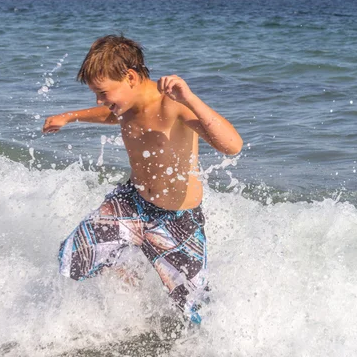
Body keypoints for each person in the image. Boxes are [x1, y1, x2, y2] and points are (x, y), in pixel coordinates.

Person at [42, 35, 242, 324]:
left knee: (194, 311)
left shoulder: (174, 105)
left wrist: (190, 99)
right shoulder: (124, 106)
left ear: (131, 77)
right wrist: (69, 116)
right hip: (131, 202)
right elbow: (111, 115)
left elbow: (232, 145)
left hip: (177, 220)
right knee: (73, 257)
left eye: (103, 92)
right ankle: (129, 285)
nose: (100, 101)